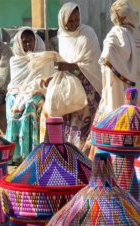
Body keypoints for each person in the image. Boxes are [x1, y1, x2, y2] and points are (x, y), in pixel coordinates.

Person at [43, 2, 102, 150]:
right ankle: (67, 149)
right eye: (70, 20)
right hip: (68, 82)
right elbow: (61, 62)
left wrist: (69, 66)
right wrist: (55, 73)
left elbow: (92, 63)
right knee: (56, 106)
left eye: (77, 19)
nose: (74, 23)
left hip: (89, 82)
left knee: (84, 107)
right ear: (62, 21)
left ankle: (82, 151)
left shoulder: (88, 33)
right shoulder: (62, 36)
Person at [85, 0, 140, 158]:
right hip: (133, 85)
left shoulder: (118, 33)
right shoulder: (128, 33)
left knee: (115, 119)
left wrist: (120, 71)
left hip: (118, 88)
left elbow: (106, 57)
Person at [6, 27, 54, 164]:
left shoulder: (43, 58)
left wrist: (36, 85)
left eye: (30, 41)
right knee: (14, 107)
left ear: (35, 41)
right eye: (24, 42)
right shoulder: (15, 60)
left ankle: (30, 153)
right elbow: (15, 84)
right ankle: (16, 155)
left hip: (37, 91)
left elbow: (45, 80)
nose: (28, 45)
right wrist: (19, 95)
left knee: (30, 106)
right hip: (17, 92)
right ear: (20, 43)